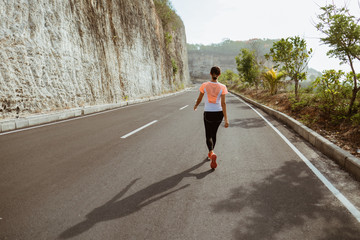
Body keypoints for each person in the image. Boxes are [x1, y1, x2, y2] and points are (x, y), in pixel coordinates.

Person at [193, 66, 229, 169]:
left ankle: (211, 152)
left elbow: (199, 98)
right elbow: (223, 103)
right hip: (219, 113)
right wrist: (226, 119)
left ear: (210, 73)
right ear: (219, 75)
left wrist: (196, 105)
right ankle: (211, 153)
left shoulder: (205, 85)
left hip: (208, 113)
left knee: (208, 135)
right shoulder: (223, 87)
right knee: (214, 134)